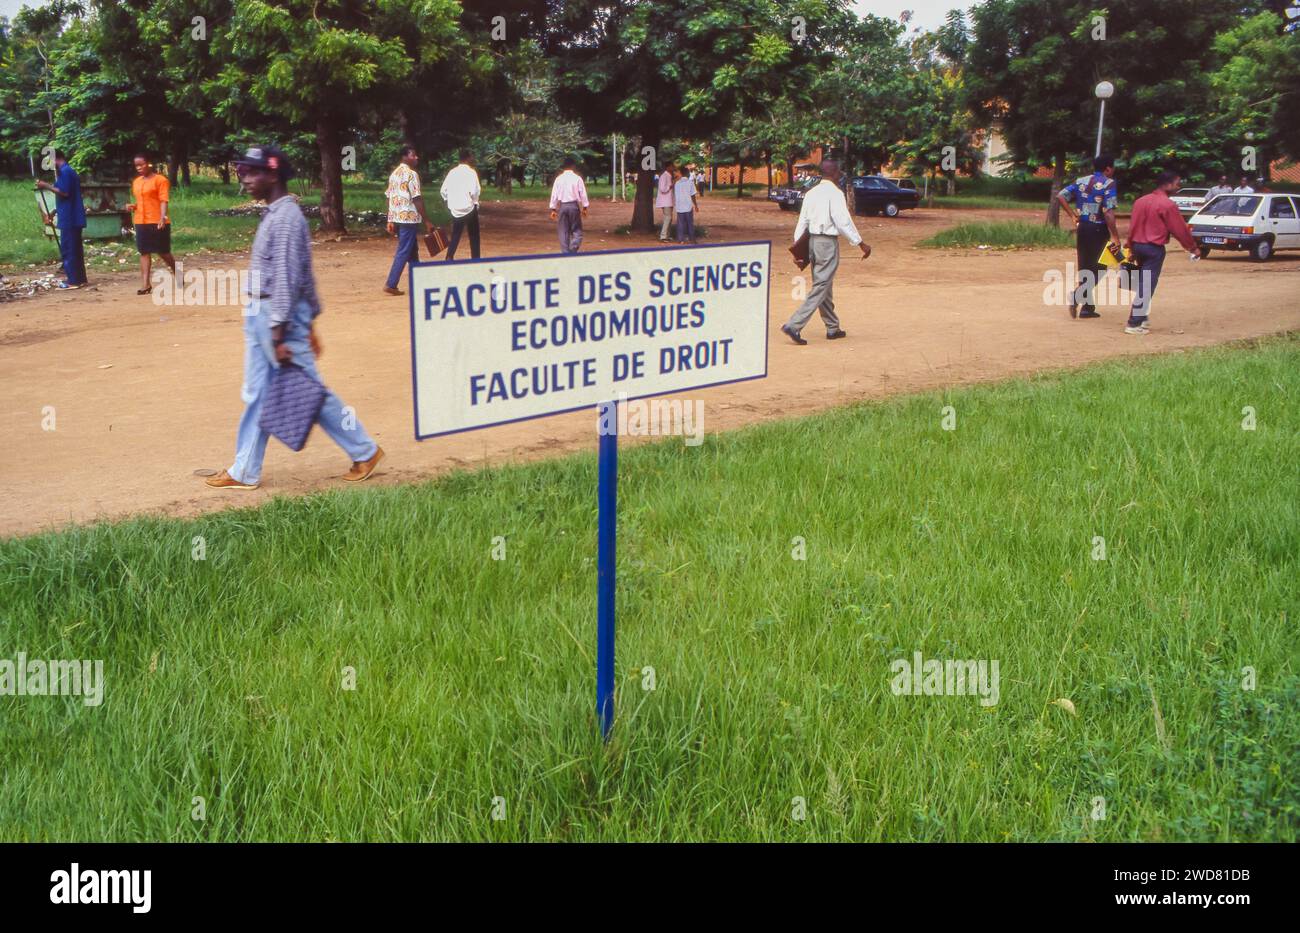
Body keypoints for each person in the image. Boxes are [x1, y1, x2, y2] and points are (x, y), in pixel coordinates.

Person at [205, 146, 384, 490]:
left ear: (273, 175)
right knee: (259, 393)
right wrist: (305, 322)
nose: (247, 178)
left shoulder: (286, 219)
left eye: (255, 172)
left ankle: (365, 450)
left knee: (307, 391)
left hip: (277, 317)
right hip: (265, 315)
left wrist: (279, 333)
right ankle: (244, 470)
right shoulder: (275, 214)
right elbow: (303, 276)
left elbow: (288, 279)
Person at [781, 159, 871, 345]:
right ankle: (794, 324)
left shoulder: (811, 193)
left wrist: (798, 250)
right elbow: (843, 222)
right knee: (822, 284)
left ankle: (832, 327)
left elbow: (802, 222)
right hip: (826, 243)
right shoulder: (835, 193)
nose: (840, 175)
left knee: (824, 284)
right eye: (838, 171)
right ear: (834, 172)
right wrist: (860, 243)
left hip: (812, 241)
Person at [1122, 170, 1199, 336]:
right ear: (1168, 184)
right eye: (1177, 183)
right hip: (1153, 248)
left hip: (1137, 245)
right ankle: (1134, 323)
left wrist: (1130, 246)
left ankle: (1142, 319)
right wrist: (1192, 247)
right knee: (1147, 286)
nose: (1178, 187)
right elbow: (1179, 229)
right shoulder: (1167, 205)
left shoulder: (1140, 201)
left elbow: (1132, 226)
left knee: (1142, 283)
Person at [1057, 154, 1120, 319]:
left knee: (1085, 268)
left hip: (1083, 229)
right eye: (1112, 168)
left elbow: (1061, 196)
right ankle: (1078, 295)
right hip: (1098, 230)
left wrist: (1072, 215)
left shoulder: (1081, 181)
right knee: (1101, 267)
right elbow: (1108, 212)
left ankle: (1087, 308)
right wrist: (1115, 236)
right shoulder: (1109, 183)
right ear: (1108, 168)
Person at [383, 145, 433, 295]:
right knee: (404, 250)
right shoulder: (411, 174)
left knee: (412, 251)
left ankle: (419, 283)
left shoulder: (394, 174)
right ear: (405, 157)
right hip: (409, 219)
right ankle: (391, 283)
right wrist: (427, 221)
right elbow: (417, 199)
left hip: (398, 217)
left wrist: (390, 219)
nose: (416, 157)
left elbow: (389, 198)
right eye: (413, 155)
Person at [35, 150, 87, 289]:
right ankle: (79, 279)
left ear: (56, 159)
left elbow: (64, 192)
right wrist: (54, 212)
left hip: (70, 218)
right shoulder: (68, 171)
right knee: (75, 249)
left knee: (69, 249)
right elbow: (68, 196)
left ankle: (73, 281)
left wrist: (45, 185)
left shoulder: (65, 172)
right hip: (72, 215)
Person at [126, 154, 177, 296]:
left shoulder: (160, 180)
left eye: (141, 164)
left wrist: (162, 217)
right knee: (144, 252)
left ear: (149, 164)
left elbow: (163, 200)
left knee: (163, 252)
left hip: (157, 221)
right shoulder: (136, 182)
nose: (139, 168)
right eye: (137, 166)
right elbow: (143, 201)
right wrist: (133, 206)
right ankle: (145, 284)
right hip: (141, 221)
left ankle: (177, 272)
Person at [441, 148, 481, 261]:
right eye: (472, 156)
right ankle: (476, 258)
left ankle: (449, 255)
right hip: (469, 208)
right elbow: (475, 192)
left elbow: (443, 190)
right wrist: (475, 202)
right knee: (474, 235)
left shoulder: (452, 172)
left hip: (455, 208)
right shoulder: (471, 172)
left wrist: (449, 202)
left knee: (456, 233)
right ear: (468, 157)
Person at [549, 157, 589, 254]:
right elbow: (583, 193)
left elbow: (554, 194)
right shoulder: (577, 178)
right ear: (573, 166)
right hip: (573, 206)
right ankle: (573, 248)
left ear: (563, 167)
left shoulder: (558, 179)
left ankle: (565, 252)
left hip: (563, 206)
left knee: (563, 230)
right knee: (577, 230)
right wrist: (585, 207)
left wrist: (553, 209)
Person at [672, 164, 699, 244]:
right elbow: (693, 195)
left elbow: (674, 193)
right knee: (690, 223)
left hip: (679, 206)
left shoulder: (676, 184)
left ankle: (680, 239)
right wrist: (696, 205)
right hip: (688, 206)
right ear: (687, 174)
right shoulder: (690, 183)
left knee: (680, 223)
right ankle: (692, 239)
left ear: (680, 173)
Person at [656, 160, 675, 242]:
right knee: (668, 217)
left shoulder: (669, 175)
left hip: (669, 200)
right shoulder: (664, 176)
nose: (673, 168)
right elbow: (662, 189)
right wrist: (670, 186)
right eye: (671, 166)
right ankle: (663, 236)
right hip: (665, 200)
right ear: (668, 167)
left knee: (670, 218)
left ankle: (667, 235)